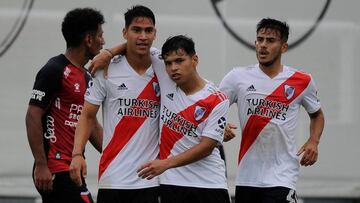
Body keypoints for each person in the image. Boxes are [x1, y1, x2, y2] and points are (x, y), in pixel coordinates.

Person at [219, 18, 325, 203]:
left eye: (270, 40)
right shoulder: (237, 77)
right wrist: (220, 127)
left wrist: (313, 141)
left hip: (282, 176)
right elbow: (212, 110)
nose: (263, 46)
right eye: (260, 40)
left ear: (284, 47)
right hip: (247, 176)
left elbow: (317, 115)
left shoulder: (302, 80)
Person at [69, 5, 160, 203]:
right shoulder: (106, 69)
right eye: (136, 30)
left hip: (150, 181)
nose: (143, 36)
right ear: (125, 32)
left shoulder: (164, 66)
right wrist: (77, 154)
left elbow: (191, 86)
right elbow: (87, 115)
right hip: (112, 178)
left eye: (148, 31)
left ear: (155, 34)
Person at [135, 35, 231, 203]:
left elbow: (206, 147)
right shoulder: (166, 79)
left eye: (179, 61)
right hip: (172, 183)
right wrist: (108, 53)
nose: (173, 68)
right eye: (169, 63)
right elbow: (138, 43)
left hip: (209, 185)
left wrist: (165, 164)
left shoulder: (217, 99)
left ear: (195, 59)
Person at [25, 8, 104, 203]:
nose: (103, 41)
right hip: (55, 169)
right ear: (89, 39)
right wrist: (41, 165)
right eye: (100, 35)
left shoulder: (86, 76)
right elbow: (32, 116)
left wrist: (117, 155)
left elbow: (90, 124)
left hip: (73, 169)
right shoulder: (54, 69)